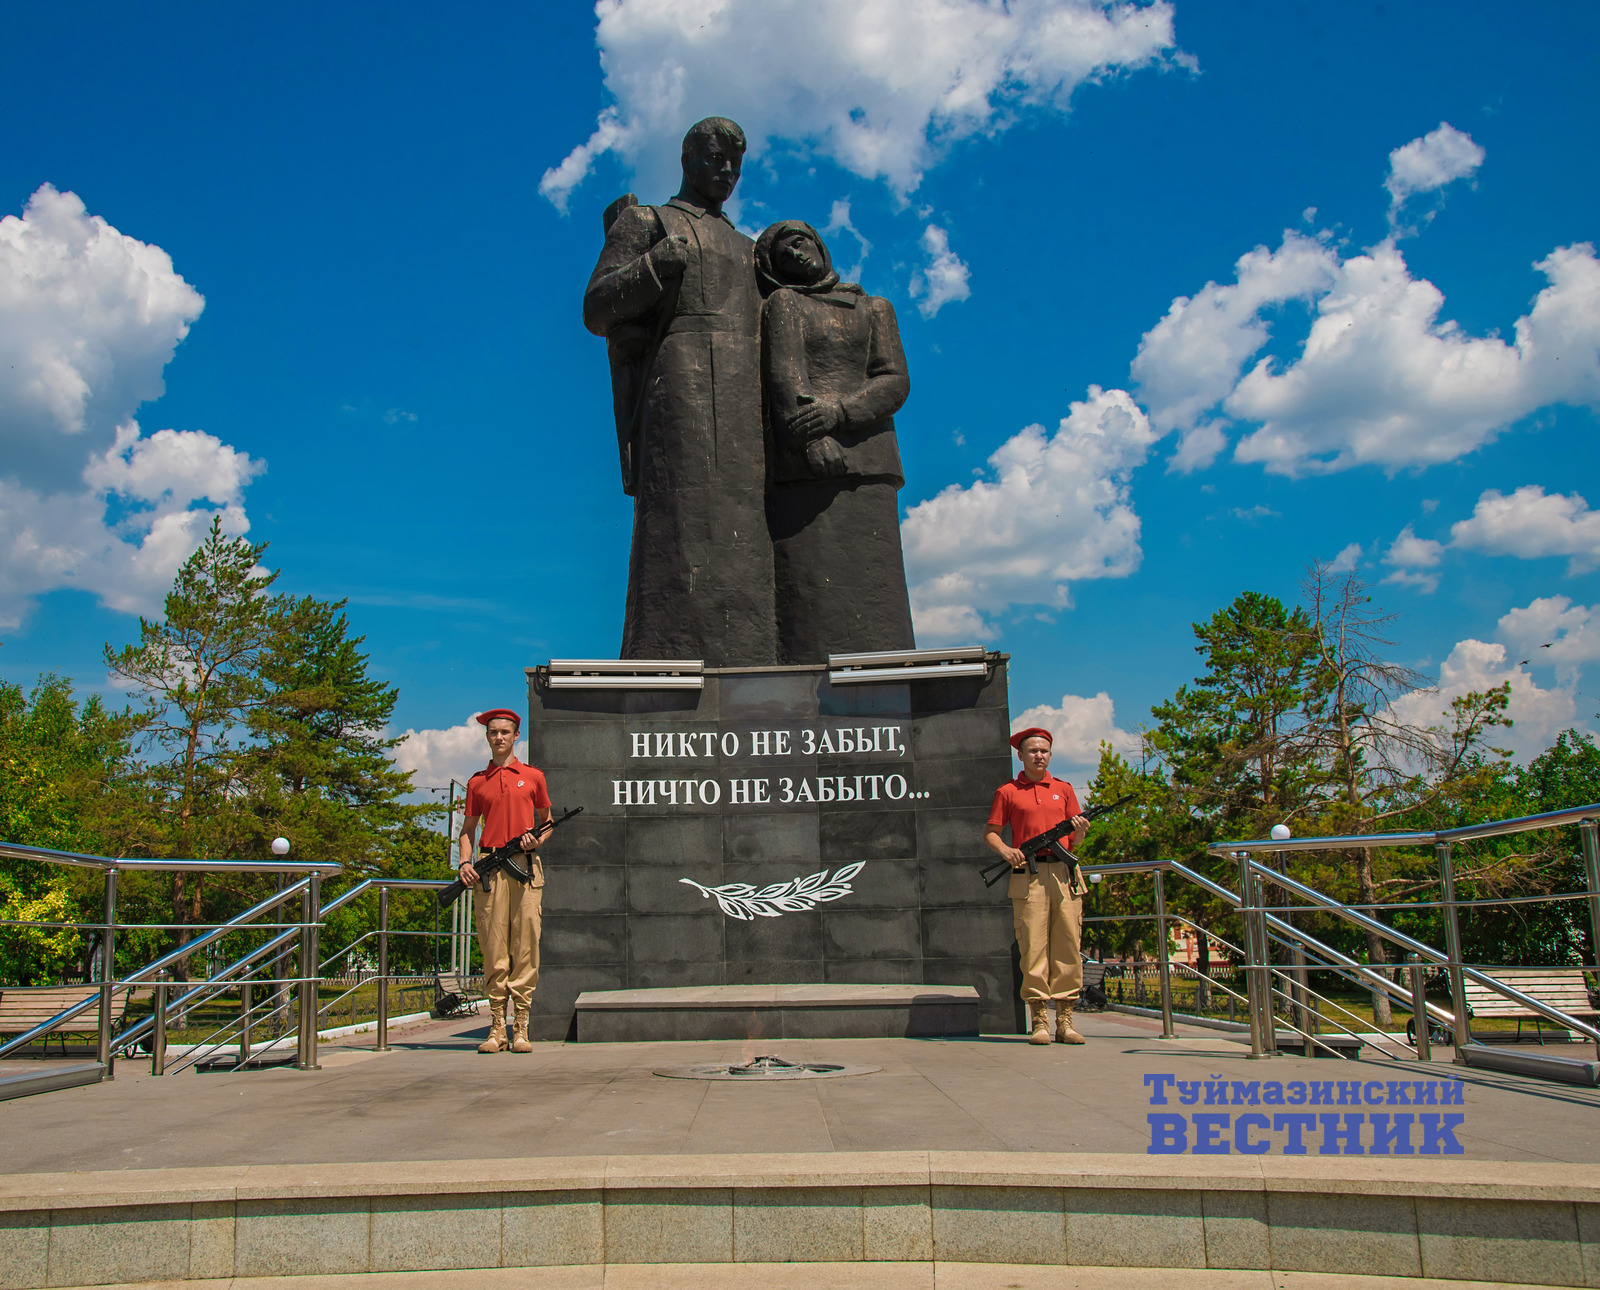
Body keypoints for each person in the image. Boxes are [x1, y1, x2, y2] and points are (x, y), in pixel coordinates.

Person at [583, 116, 777, 666]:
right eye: (716, 159)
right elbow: (596, 308)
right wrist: (652, 264)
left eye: (736, 164)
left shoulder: (748, 246)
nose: (727, 172)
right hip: (681, 388)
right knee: (681, 525)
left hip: (746, 397)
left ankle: (753, 659)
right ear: (688, 160)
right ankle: (667, 653)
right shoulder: (650, 221)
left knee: (748, 534)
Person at [755, 219, 914, 662]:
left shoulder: (875, 308)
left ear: (820, 245)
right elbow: (786, 377)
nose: (796, 254)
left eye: (800, 242)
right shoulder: (784, 304)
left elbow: (895, 380)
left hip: (870, 460)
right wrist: (811, 439)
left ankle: (889, 689)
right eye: (783, 255)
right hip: (810, 467)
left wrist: (840, 412)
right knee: (811, 594)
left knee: (877, 587)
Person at [984, 727, 1090, 1045]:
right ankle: (1040, 1019)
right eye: (1033, 751)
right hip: (1028, 875)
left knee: (1069, 943)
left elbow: (1075, 841)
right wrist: (1007, 851)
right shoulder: (1008, 791)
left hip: (1064, 873)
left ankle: (1066, 1020)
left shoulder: (1064, 789)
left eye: (1044, 751)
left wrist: (1081, 830)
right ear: (1021, 755)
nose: (1039, 755)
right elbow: (991, 832)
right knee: (1032, 945)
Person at [458, 708, 551, 1054]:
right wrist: (464, 862)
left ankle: (521, 1026)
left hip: (526, 867)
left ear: (516, 737)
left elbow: (548, 819)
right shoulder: (477, 782)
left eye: (505, 732)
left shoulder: (533, 777)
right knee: (494, 947)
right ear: (488, 737)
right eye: (493, 732)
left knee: (526, 946)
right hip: (489, 870)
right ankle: (497, 1027)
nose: (499, 737)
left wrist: (537, 840)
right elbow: (467, 831)